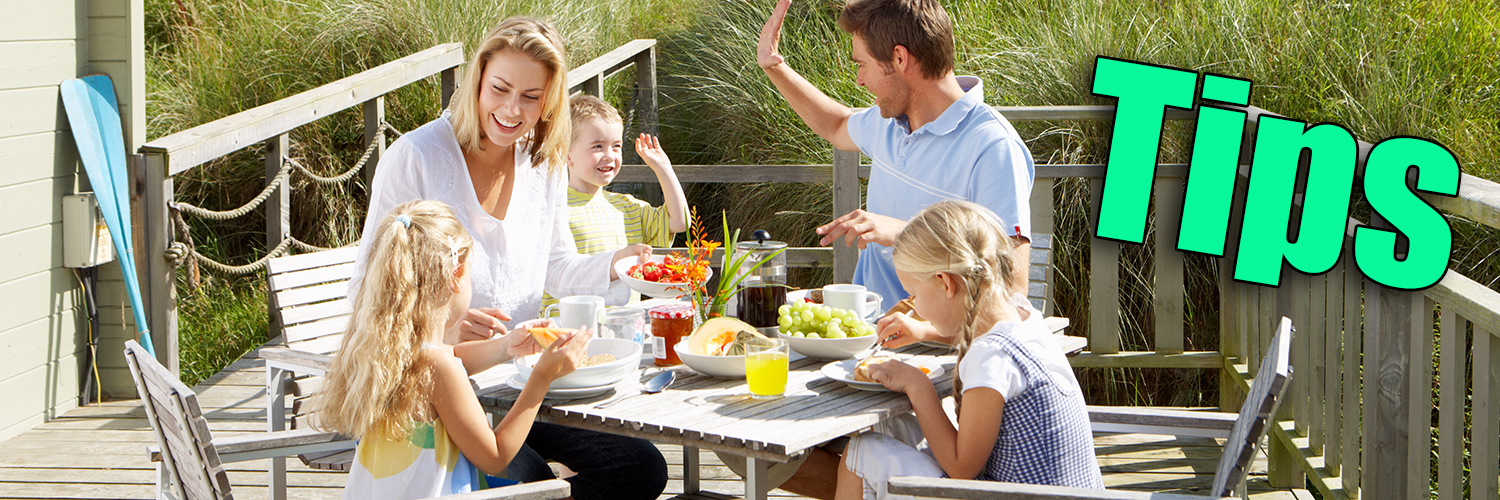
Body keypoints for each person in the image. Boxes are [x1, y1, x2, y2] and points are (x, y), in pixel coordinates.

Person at [347, 17, 667, 500]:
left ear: (551, 101)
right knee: (531, 479)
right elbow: (372, 289)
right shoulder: (415, 156)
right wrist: (445, 328)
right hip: (440, 394)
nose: (512, 110)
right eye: (500, 88)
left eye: (532, 97)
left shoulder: (545, 161)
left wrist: (615, 263)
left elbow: (557, 266)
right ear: (477, 79)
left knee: (640, 466)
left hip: (517, 376)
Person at [756, 0, 1036, 346]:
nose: (859, 81)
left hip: (939, 357)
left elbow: (1010, 292)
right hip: (864, 341)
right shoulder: (888, 123)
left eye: (862, 65)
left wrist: (907, 234)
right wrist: (774, 66)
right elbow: (838, 124)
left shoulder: (993, 147)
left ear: (899, 59)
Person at [791, 201, 1102, 500]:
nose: (916, 305)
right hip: (1049, 491)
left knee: (862, 451)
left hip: (1010, 492)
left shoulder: (989, 359)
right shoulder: (1023, 317)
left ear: (944, 282)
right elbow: (977, 328)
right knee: (895, 427)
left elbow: (961, 468)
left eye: (915, 294)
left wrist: (917, 385)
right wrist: (924, 332)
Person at [315, 201, 593, 499]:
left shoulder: (388, 349)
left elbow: (451, 358)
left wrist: (505, 346)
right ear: (456, 274)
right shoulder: (436, 366)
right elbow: (495, 456)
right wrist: (542, 376)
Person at [557, 94, 688, 304]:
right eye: (598, 146)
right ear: (567, 153)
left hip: (624, 325)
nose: (609, 155)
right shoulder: (556, 209)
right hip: (569, 327)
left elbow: (679, 221)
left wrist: (663, 168)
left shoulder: (627, 207)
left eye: (616, 146)